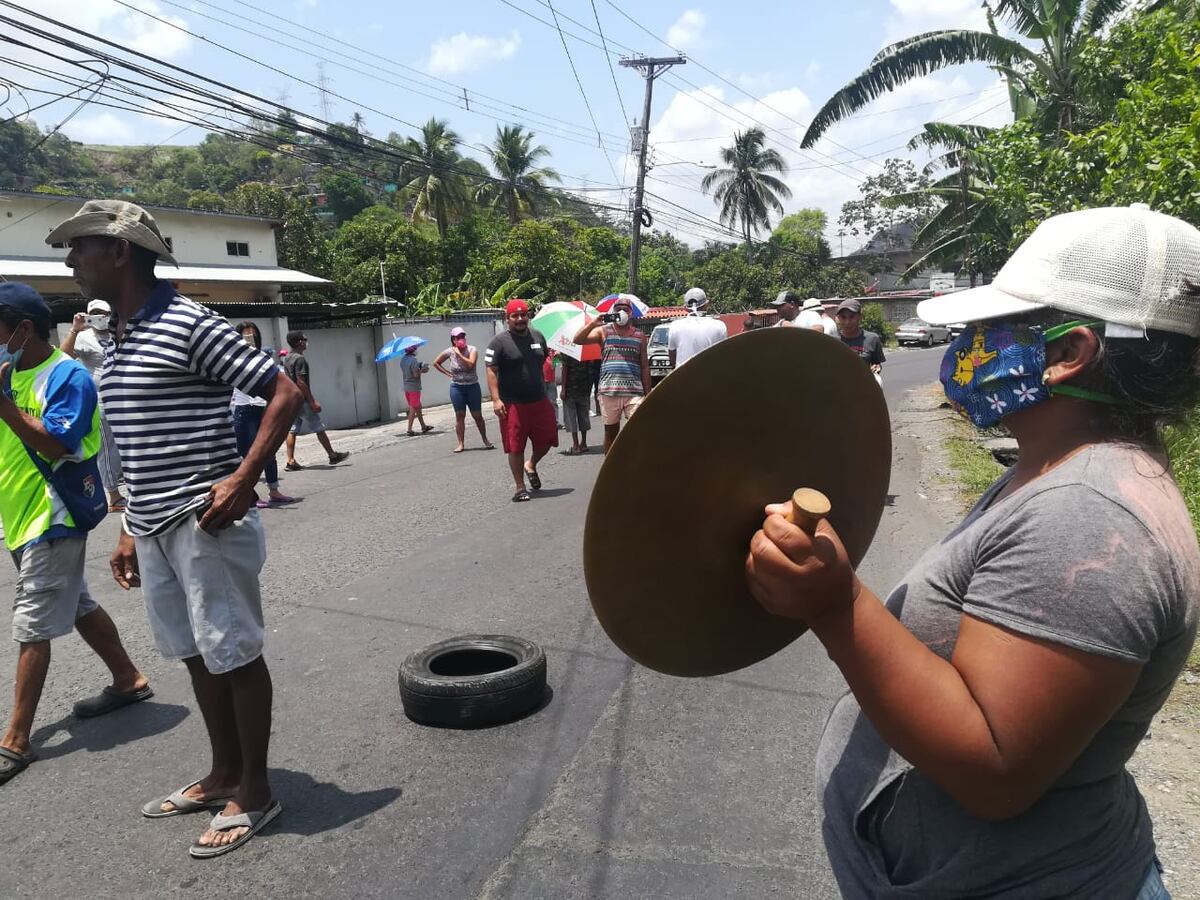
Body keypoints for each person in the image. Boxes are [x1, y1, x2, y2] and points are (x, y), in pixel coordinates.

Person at [746, 204, 1200, 899]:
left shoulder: (1086, 513)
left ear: (1067, 353)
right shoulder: (1062, 467)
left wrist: (835, 606)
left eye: (992, 328)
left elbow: (995, 769)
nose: (970, 343)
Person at [50, 199, 304, 857]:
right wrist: (129, 525)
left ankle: (255, 790)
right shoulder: (120, 334)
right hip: (155, 521)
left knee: (233, 651)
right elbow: (133, 439)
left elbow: (284, 394)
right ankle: (222, 772)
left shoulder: (190, 323)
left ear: (120, 252)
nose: (71, 258)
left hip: (205, 520)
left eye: (81, 246)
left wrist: (244, 479)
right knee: (194, 652)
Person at [0, 283, 152, 787]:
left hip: (53, 515)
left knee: (33, 620)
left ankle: (16, 740)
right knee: (78, 602)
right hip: (21, 518)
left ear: (22, 328)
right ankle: (128, 679)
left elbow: (60, 441)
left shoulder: (66, 376)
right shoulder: (9, 373)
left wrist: (3, 406)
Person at [485, 299, 558, 502]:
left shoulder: (538, 336)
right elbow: (491, 370)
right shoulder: (498, 343)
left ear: (528, 316)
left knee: (549, 438)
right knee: (516, 446)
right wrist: (496, 399)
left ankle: (531, 464)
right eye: (514, 316)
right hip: (512, 404)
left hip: (539, 400)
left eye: (523, 315)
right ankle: (519, 488)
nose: (520, 319)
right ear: (507, 319)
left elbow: (541, 359)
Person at [60, 298, 125, 511]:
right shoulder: (84, 337)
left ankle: (124, 488)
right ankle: (113, 496)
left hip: (122, 398)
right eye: (95, 314)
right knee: (106, 449)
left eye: (103, 314)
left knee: (121, 449)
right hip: (99, 401)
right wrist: (75, 330)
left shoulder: (118, 331)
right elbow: (63, 356)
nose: (100, 318)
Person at [232, 323, 298, 508]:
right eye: (245, 336)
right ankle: (250, 495)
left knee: (268, 451)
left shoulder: (262, 358)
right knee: (245, 454)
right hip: (244, 409)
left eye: (253, 336)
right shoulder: (233, 359)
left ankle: (274, 491)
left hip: (262, 407)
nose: (249, 340)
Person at [574, 295, 651, 454]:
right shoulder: (603, 332)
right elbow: (577, 339)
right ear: (613, 312)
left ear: (631, 314)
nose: (622, 311)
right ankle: (609, 471)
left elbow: (644, 366)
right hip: (609, 391)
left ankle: (632, 464)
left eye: (626, 309)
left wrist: (648, 393)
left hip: (634, 392)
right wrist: (592, 323)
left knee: (638, 430)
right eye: (618, 309)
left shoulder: (640, 336)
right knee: (611, 432)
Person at [281, 331, 350, 470]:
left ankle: (290, 460)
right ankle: (332, 455)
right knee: (318, 427)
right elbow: (301, 382)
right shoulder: (300, 359)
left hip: (292, 400)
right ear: (300, 342)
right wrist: (312, 401)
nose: (306, 342)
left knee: (293, 430)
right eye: (305, 339)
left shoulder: (287, 358)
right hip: (302, 400)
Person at [433, 327, 494, 453]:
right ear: (453, 339)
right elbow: (436, 362)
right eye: (457, 337)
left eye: (462, 336)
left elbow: (471, 364)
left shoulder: (472, 349)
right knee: (460, 416)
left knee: (477, 415)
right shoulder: (449, 351)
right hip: (457, 387)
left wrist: (459, 354)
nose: (461, 339)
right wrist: (447, 373)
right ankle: (460, 443)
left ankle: (485, 439)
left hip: (472, 386)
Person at [668, 286, 728, 368]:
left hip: (683, 377)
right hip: (711, 377)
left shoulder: (675, 326)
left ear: (685, 308)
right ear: (706, 305)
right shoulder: (719, 326)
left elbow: (672, 356)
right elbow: (724, 355)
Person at [835, 299, 885, 378]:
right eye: (843, 317)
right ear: (838, 318)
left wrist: (876, 367)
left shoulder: (872, 339)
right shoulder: (832, 341)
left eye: (852, 317)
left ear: (860, 317)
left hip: (863, 386)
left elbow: (876, 364)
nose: (847, 322)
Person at [559, 353, 593, 455]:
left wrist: (563, 389)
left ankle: (576, 445)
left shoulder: (567, 350)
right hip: (583, 388)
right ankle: (584, 443)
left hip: (570, 389)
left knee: (571, 417)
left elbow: (565, 370)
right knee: (583, 416)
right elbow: (590, 371)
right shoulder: (586, 350)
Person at [399, 344, 433, 436]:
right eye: (415, 349)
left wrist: (418, 367)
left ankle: (423, 426)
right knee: (413, 408)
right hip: (414, 387)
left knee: (418, 406)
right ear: (413, 350)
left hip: (407, 387)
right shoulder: (413, 360)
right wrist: (423, 369)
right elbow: (415, 375)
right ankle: (409, 429)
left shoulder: (403, 360)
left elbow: (409, 371)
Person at [542, 349, 561, 428]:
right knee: (542, 403)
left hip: (551, 380)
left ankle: (555, 421)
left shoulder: (554, 351)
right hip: (541, 380)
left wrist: (557, 357)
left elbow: (554, 366)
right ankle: (544, 422)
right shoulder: (539, 349)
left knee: (553, 401)